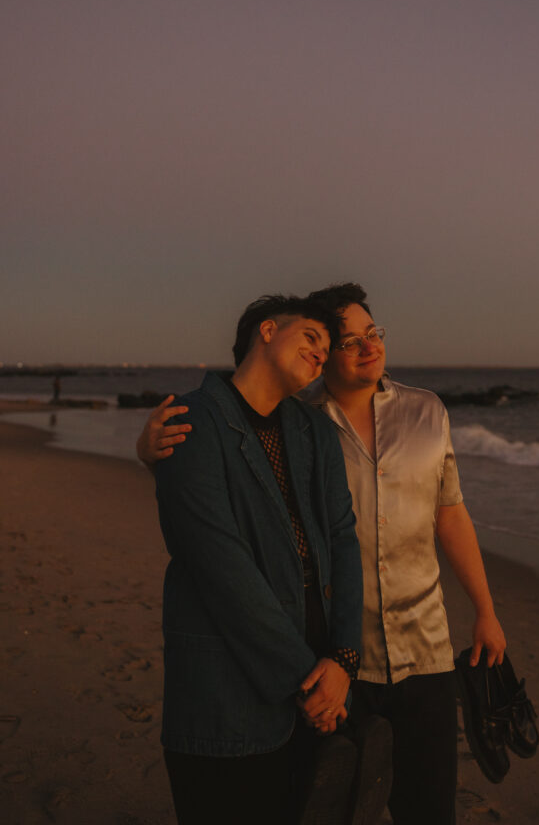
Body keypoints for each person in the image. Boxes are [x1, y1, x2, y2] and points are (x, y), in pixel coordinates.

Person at [139, 284, 506, 825]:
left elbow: (391, 525)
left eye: (369, 334)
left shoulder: (373, 420)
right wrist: (320, 675)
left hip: (392, 657)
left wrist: (482, 611)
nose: (360, 347)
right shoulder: (254, 419)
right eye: (335, 339)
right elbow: (222, 558)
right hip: (293, 670)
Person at [150, 293, 364, 825]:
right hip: (228, 697)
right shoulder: (192, 420)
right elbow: (220, 568)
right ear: (266, 331)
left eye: (326, 348)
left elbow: (342, 538)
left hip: (318, 683)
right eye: (309, 338)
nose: (321, 354)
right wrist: (308, 682)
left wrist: (343, 660)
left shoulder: (314, 431)